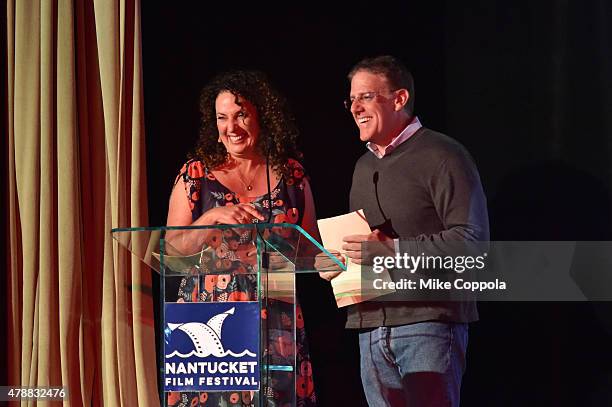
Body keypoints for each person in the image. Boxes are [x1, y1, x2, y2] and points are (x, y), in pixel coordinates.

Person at [316, 56, 489, 406]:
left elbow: (472, 245)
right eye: (350, 100)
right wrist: (340, 265)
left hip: (428, 324)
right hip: (370, 329)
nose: (354, 107)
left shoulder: (443, 154)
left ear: (399, 99)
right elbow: (366, 249)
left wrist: (392, 250)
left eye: (365, 97)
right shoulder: (363, 167)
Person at [166, 70, 318, 406]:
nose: (231, 127)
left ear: (263, 117)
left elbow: (310, 250)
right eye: (222, 118)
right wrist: (209, 218)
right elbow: (173, 251)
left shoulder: (293, 175)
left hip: (275, 312)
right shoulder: (196, 174)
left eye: (241, 115)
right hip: (207, 318)